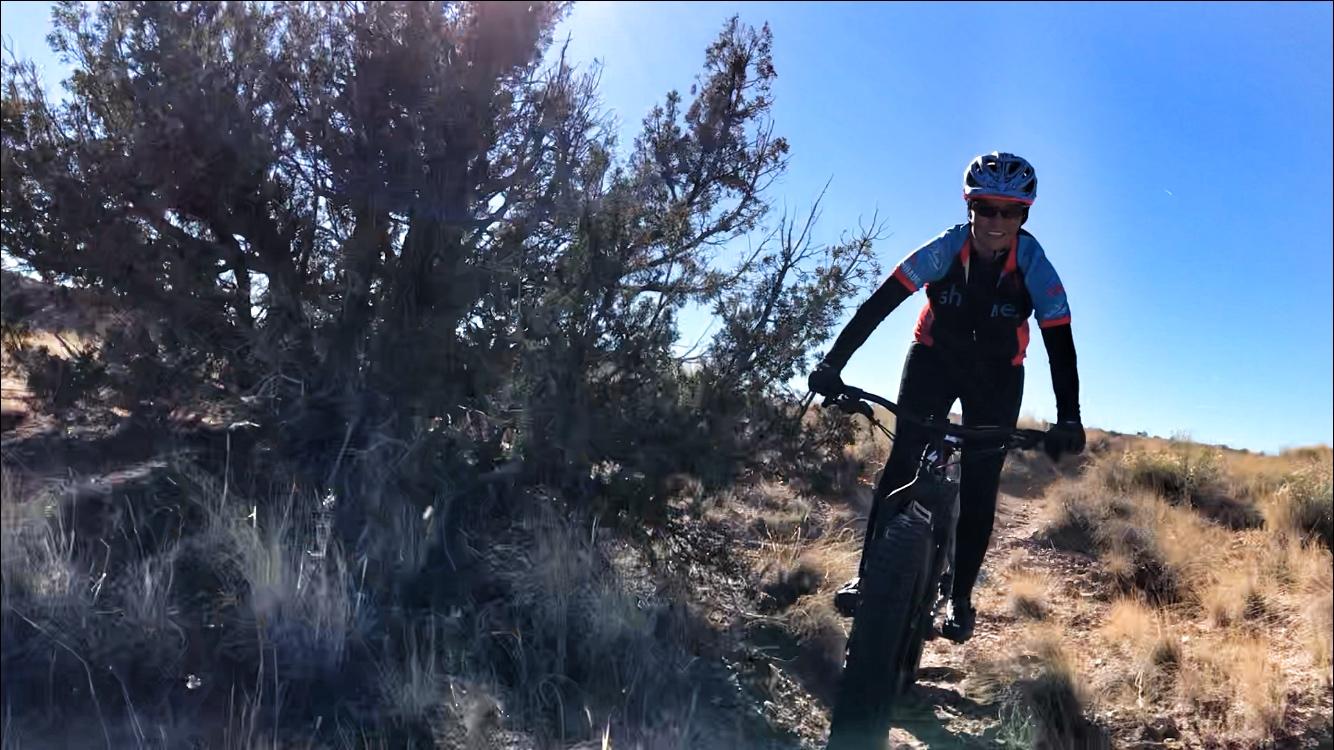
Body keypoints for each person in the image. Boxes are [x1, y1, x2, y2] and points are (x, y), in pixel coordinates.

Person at [807, 151, 1085, 643]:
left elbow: (1059, 342)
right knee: (901, 462)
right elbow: (879, 304)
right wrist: (833, 363)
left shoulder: (1036, 266)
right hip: (934, 357)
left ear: (1024, 215)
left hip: (998, 375)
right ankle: (869, 572)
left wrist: (1070, 417)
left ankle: (960, 598)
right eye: (986, 208)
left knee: (980, 486)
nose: (997, 221)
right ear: (969, 207)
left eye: (1010, 211)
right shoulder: (943, 250)